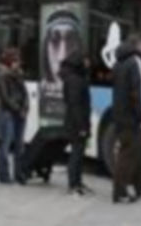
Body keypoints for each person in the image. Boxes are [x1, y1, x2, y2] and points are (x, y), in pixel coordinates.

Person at [112, 34, 141, 203]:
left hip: (121, 115)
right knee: (128, 155)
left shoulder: (119, 63)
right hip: (132, 118)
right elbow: (138, 93)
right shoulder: (136, 62)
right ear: (138, 45)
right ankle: (120, 192)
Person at [60, 50, 92, 195]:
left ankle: (77, 182)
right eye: (86, 60)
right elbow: (76, 105)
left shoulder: (75, 77)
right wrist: (82, 127)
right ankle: (73, 184)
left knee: (78, 153)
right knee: (76, 154)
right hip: (76, 124)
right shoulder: (75, 80)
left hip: (76, 122)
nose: (88, 63)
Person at [0, 47, 28, 184]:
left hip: (19, 112)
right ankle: (4, 174)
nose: (18, 63)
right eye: (15, 60)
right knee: (6, 144)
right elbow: (5, 97)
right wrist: (18, 109)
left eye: (18, 60)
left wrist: (25, 107)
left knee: (19, 145)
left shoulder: (19, 75)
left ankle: (19, 172)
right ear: (9, 61)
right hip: (8, 113)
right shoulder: (2, 75)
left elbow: (25, 93)